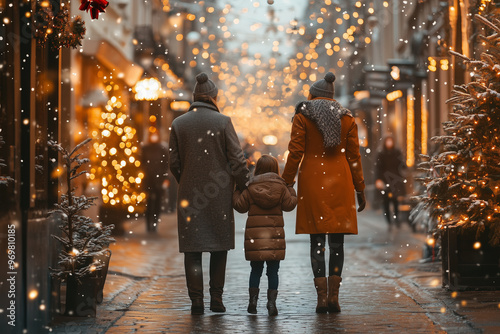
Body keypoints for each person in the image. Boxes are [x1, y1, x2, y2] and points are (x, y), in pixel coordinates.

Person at [282, 72, 366, 313]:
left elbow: (295, 152)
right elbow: (354, 158)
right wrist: (359, 188)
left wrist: (286, 182)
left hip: (313, 182)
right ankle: (334, 297)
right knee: (337, 244)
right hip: (340, 181)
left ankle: (320, 298)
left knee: (316, 241)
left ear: (313, 95)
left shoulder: (302, 116)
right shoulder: (347, 119)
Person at [168, 72, 249, 315]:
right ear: (213, 97)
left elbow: (173, 162)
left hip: (189, 196)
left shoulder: (178, 124)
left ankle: (196, 301)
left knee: (192, 249)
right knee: (218, 247)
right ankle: (216, 298)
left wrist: (187, 181)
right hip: (218, 195)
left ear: (194, 98)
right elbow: (237, 159)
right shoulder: (223, 122)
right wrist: (244, 184)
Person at [233, 155, 297, 316]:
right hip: (274, 237)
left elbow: (240, 206)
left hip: (256, 238)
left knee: (255, 271)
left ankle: (253, 301)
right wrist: (291, 188)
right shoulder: (281, 187)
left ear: (258, 169)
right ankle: (271, 303)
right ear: (276, 169)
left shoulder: (250, 187)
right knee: (273, 272)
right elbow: (289, 205)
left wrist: (236, 191)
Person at [375, 136, 406, 230]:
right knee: (386, 202)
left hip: (395, 180)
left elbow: (401, 164)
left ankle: (396, 220)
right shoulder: (381, 154)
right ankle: (389, 221)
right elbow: (378, 168)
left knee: (395, 201)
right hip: (385, 180)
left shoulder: (396, 152)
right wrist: (378, 180)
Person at [141, 132, 169, 233]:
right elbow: (142, 162)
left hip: (158, 180)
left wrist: (164, 178)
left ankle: (154, 224)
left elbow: (166, 164)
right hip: (148, 179)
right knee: (148, 203)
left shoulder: (162, 148)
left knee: (157, 203)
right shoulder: (145, 148)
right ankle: (149, 224)